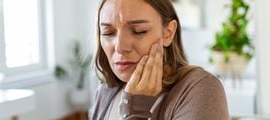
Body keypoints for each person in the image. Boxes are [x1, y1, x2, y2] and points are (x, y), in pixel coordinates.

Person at [90, 0, 230, 119]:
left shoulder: (200, 88)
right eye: (108, 33)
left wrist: (136, 110)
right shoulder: (105, 92)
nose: (120, 47)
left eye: (139, 30)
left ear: (168, 33)